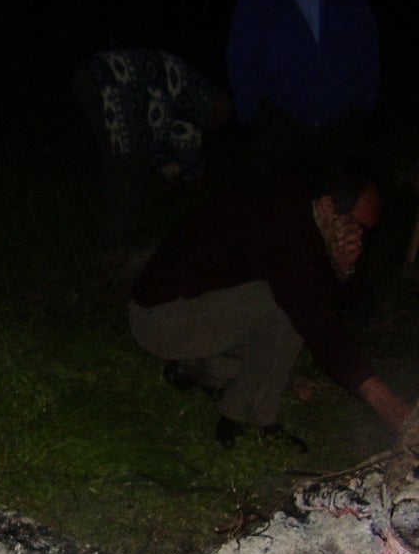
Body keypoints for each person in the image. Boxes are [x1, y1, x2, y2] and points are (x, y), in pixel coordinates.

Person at [128, 158, 411, 450]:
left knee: (277, 331)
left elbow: (339, 302)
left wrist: (343, 270)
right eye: (356, 224)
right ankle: (248, 419)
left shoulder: (308, 211)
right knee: (284, 307)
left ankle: (198, 369)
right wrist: (385, 403)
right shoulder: (282, 219)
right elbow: (318, 321)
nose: (359, 235)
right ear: (328, 205)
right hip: (162, 318)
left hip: (200, 312)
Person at [225, 0, 380, 184]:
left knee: (345, 212)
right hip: (283, 124)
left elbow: (368, 45)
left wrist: (362, 102)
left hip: (342, 120)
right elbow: (240, 60)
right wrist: (256, 115)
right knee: (284, 216)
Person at [72, 48, 233, 255]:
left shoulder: (182, 88)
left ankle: (116, 240)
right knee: (128, 164)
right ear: (218, 108)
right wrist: (195, 177)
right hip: (112, 82)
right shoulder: (198, 94)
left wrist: (166, 167)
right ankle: (114, 248)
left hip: (91, 76)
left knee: (126, 160)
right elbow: (187, 141)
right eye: (218, 121)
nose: (213, 127)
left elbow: (155, 134)